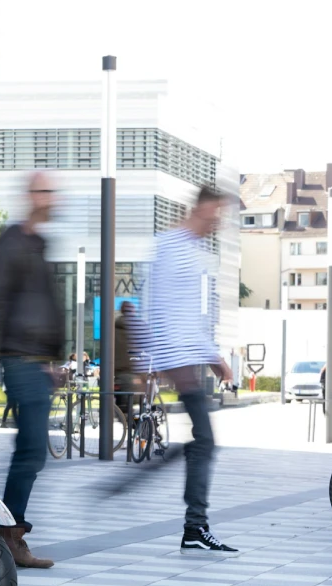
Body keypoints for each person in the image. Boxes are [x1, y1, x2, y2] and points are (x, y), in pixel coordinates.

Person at [139, 185, 237, 556]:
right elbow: (160, 308)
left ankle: (195, 523)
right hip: (179, 360)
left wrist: (213, 357)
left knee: (202, 442)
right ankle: (194, 526)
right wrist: (167, 362)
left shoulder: (194, 252)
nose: (218, 222)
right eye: (216, 214)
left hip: (187, 358)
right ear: (201, 209)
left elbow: (193, 317)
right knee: (205, 441)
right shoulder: (172, 247)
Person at [0, 171, 64, 569]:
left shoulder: (40, 243)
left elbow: (42, 304)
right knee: (30, 448)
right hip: (15, 357)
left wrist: (52, 360)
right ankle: (9, 534)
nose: (52, 197)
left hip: (35, 361)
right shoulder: (12, 239)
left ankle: (9, 532)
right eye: (46, 190)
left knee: (32, 451)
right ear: (31, 195)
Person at [113, 301, 143, 417]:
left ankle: (132, 426)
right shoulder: (136, 327)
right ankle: (143, 428)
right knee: (144, 399)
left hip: (117, 373)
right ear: (133, 311)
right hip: (133, 372)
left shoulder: (113, 329)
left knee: (123, 407)